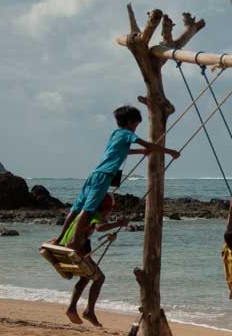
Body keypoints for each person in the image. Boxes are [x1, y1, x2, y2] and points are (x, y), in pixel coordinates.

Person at [53, 105, 180, 253]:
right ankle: (74, 242)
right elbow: (147, 144)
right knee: (88, 210)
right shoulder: (127, 134)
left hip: (95, 174)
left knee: (76, 209)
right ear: (131, 123)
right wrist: (170, 152)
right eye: (136, 125)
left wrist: (141, 152)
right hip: (105, 176)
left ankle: (59, 239)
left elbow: (120, 152)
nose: (135, 129)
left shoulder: (115, 134)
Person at [60, 193, 129, 326]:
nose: (110, 212)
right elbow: (99, 227)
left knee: (85, 277)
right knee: (100, 278)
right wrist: (119, 223)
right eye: (110, 209)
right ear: (105, 208)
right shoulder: (94, 214)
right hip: (76, 251)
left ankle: (72, 308)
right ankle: (89, 311)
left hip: (70, 250)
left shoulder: (84, 213)